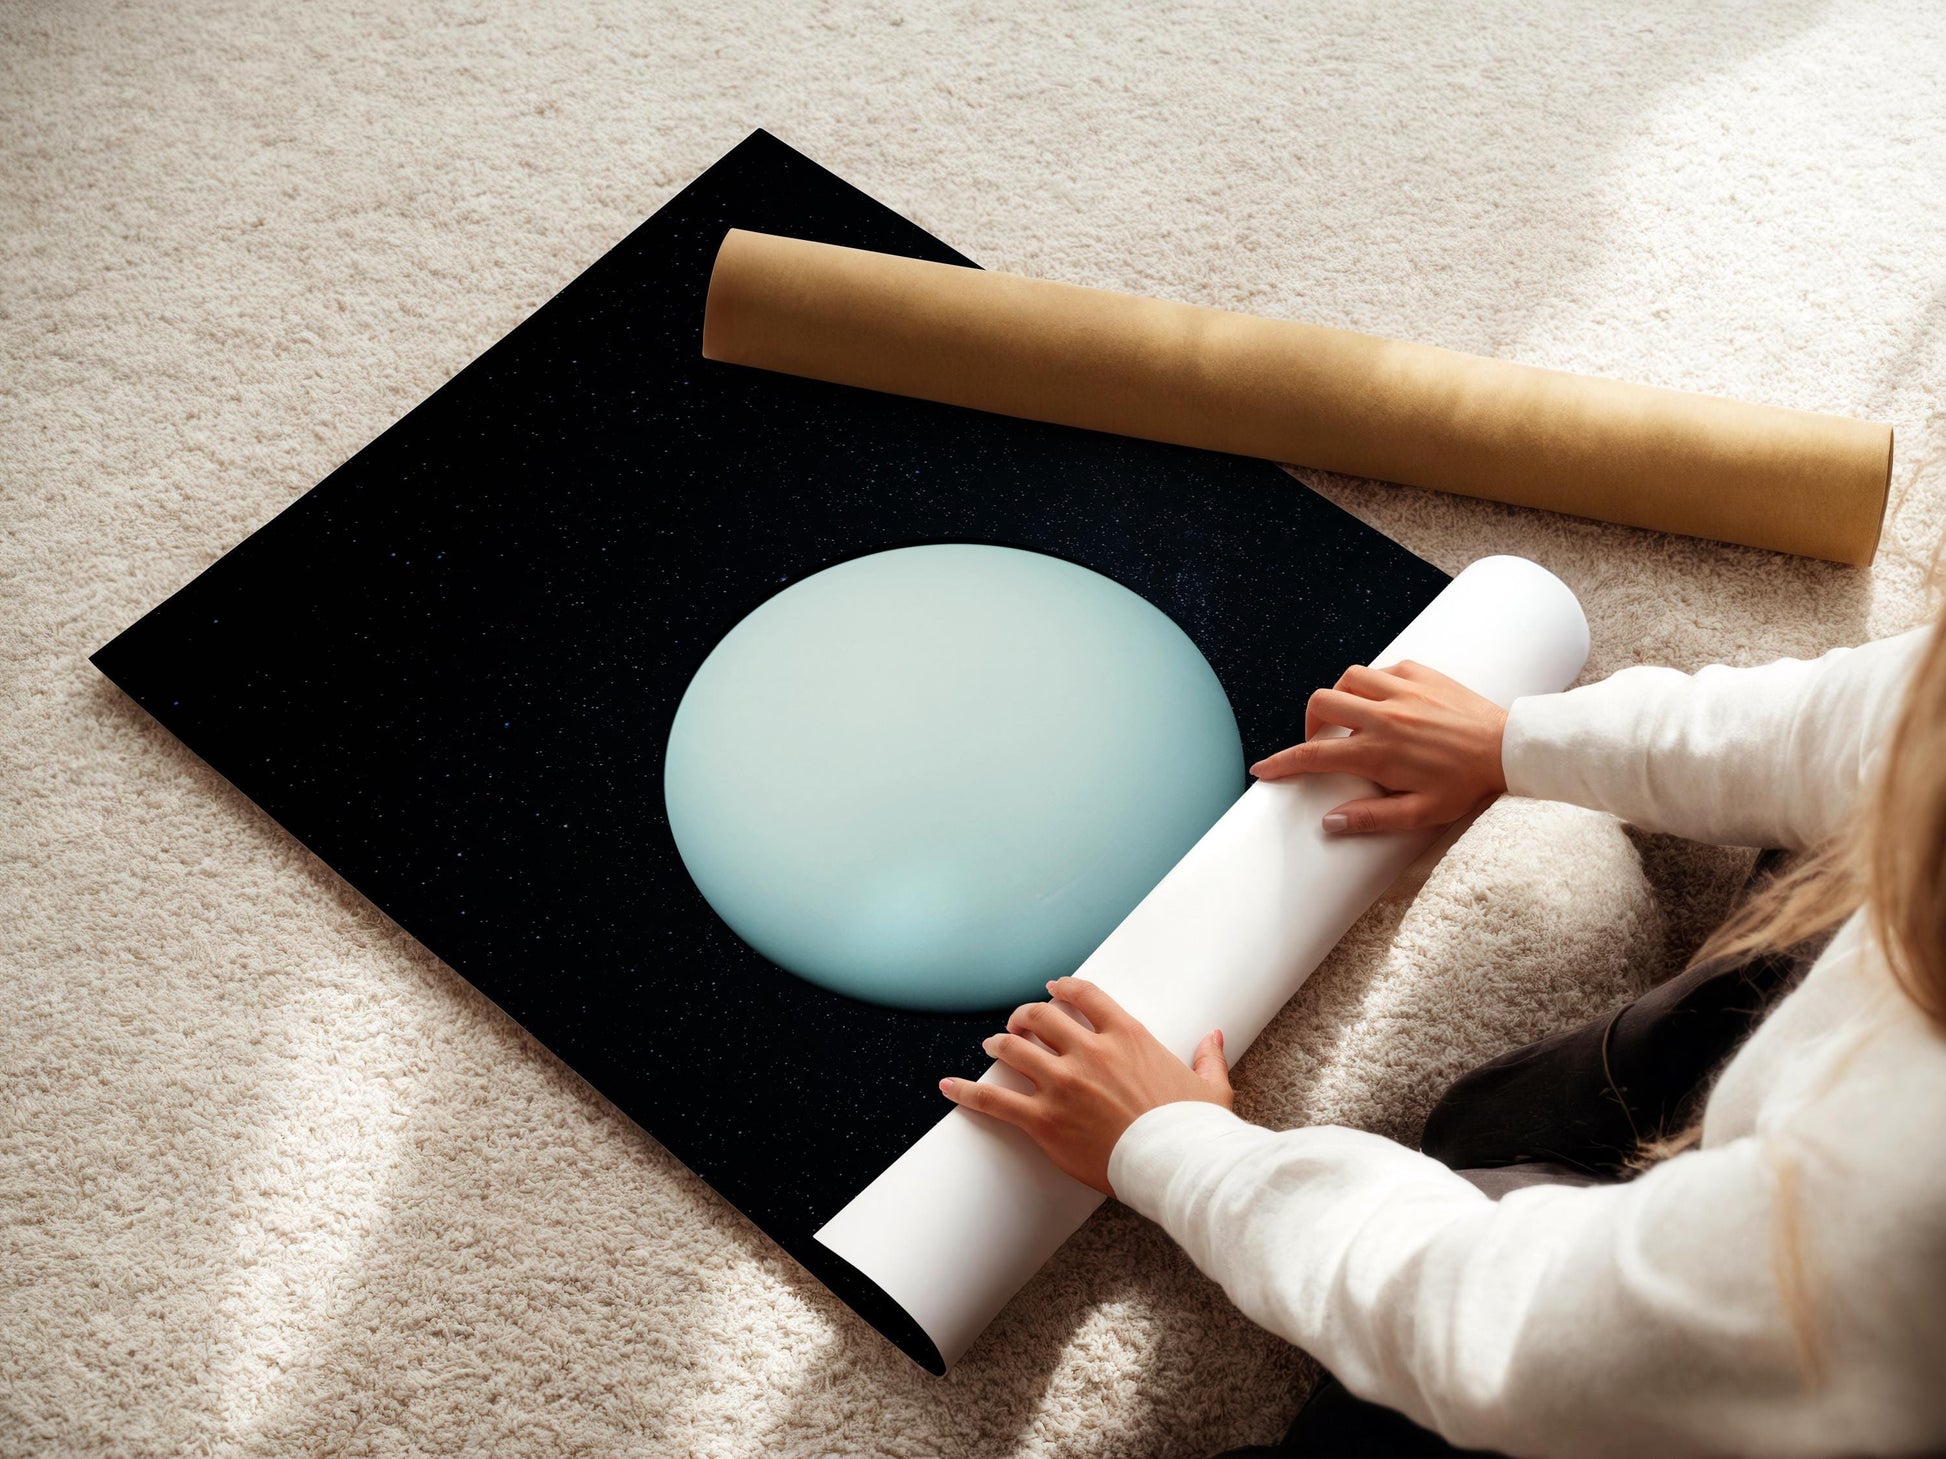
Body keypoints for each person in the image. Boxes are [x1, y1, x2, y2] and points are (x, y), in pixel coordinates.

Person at [938, 610, 1946, 1457]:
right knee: (1495, 1126)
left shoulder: (1897, 1207)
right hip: (1813, 1155)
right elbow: (1869, 721)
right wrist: (1512, 741)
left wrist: (1173, 1148)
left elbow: (1506, 1332)